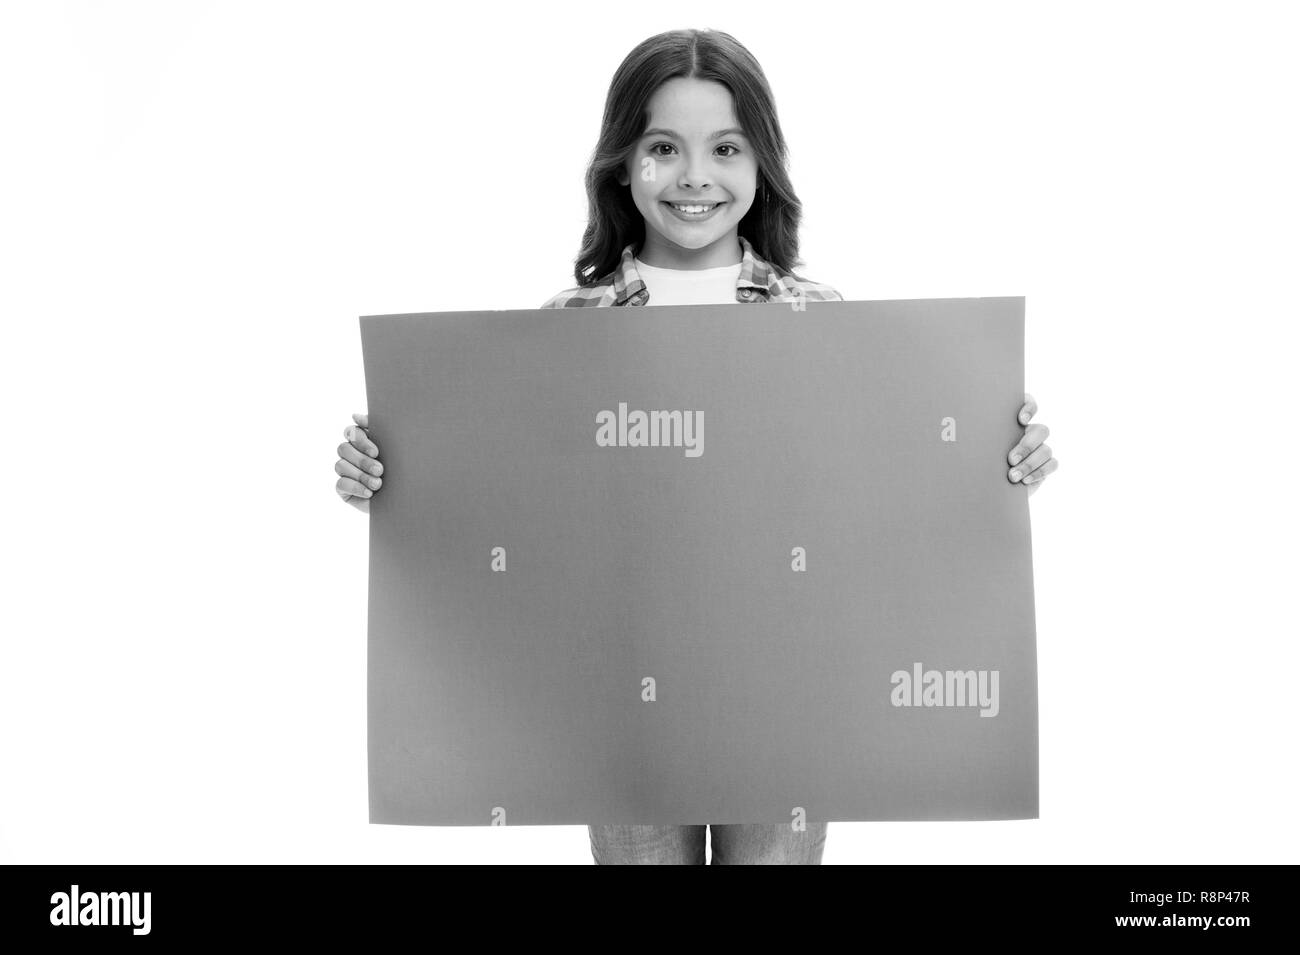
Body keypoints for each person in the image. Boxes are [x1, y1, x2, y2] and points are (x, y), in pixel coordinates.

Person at [335, 28, 1059, 864]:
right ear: (622, 164)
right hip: (618, 701)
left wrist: (996, 462)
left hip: (789, 694)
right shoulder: (566, 333)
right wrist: (392, 475)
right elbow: (506, 513)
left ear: (762, 164)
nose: (693, 177)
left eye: (724, 147)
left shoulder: (822, 321)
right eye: (663, 148)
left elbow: (879, 495)